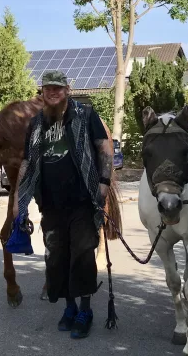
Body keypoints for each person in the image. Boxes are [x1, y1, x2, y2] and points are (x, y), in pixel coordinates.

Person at [12, 70, 113, 339]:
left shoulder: (84, 114)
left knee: (81, 254)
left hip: (82, 201)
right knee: (56, 258)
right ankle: (69, 307)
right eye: (48, 89)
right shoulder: (36, 124)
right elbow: (27, 162)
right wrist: (18, 200)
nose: (53, 92)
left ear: (67, 89)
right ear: (42, 92)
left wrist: (104, 181)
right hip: (51, 206)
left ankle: (85, 310)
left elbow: (103, 147)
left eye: (58, 88)